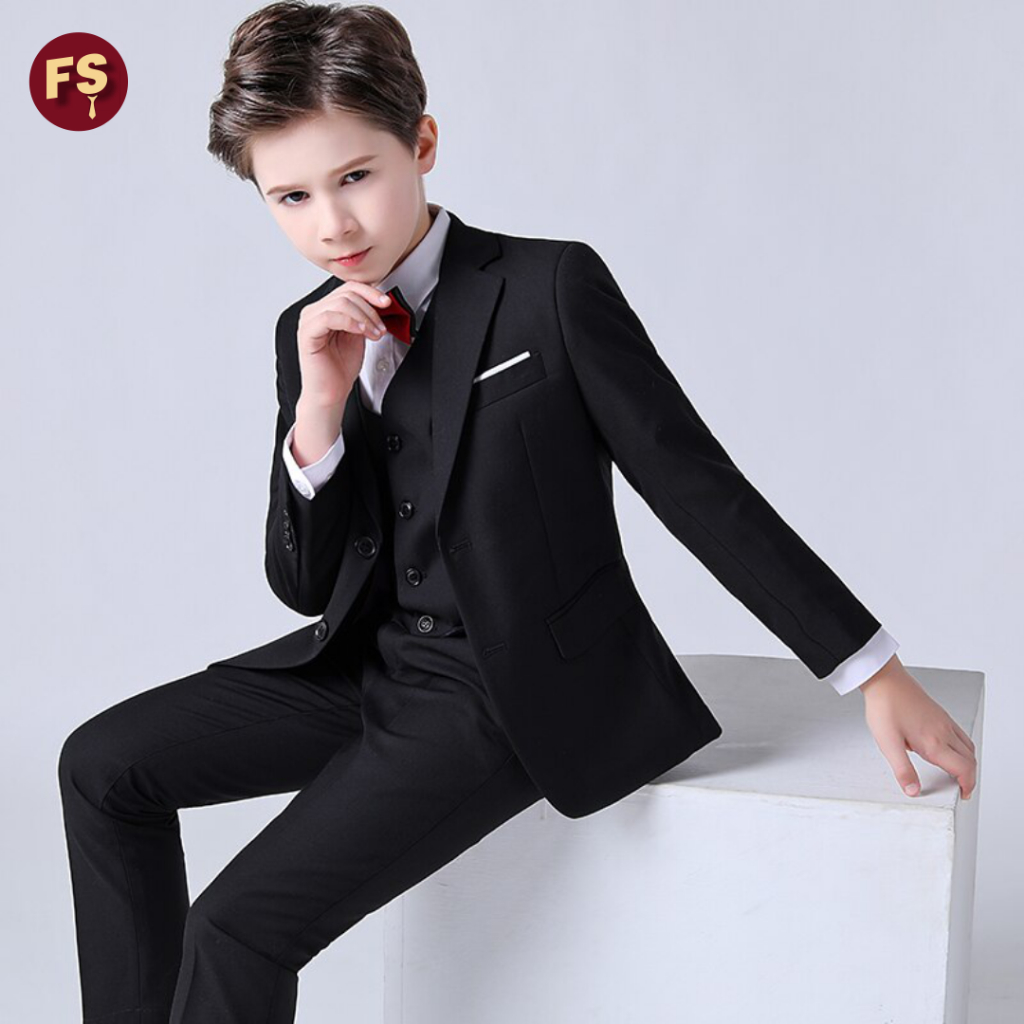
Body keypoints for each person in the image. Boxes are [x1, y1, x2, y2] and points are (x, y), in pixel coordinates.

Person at [57, 3, 978, 1022]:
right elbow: (306, 585)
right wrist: (319, 411)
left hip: (505, 690)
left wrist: (869, 667)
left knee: (236, 925)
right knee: (100, 767)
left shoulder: (548, 287)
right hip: (366, 664)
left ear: (422, 143)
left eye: (355, 176)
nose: (333, 226)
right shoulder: (306, 329)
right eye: (292, 196)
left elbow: (695, 485)